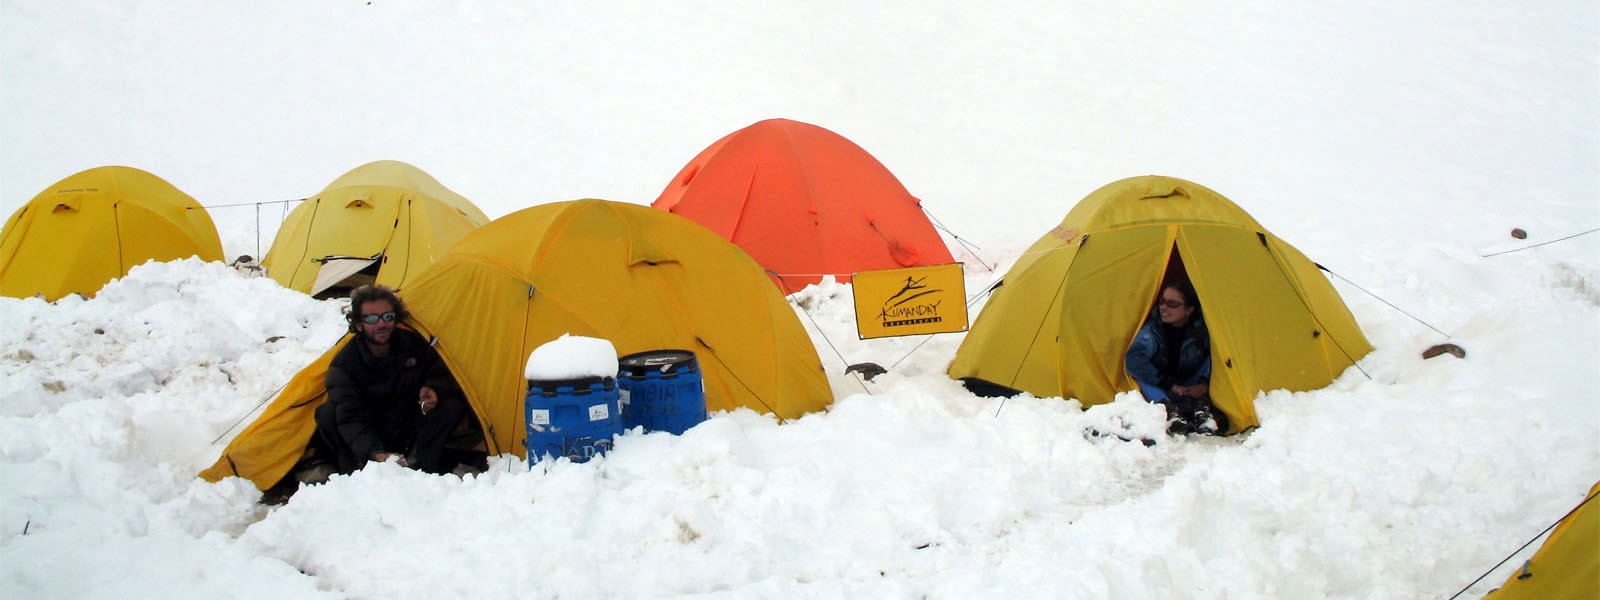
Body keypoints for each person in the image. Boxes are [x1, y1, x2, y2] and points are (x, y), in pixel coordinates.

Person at [311, 285, 468, 475]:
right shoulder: (344, 365)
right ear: (359, 324)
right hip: (368, 433)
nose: (381, 324)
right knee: (328, 413)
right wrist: (376, 454)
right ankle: (358, 473)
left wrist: (433, 388)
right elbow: (351, 417)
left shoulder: (412, 344)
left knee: (451, 405)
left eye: (387, 316)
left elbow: (440, 373)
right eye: (371, 318)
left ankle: (423, 468)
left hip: (405, 426)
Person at [1125, 281, 1229, 434]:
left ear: (1189, 310)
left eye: (1172, 304)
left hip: (1189, 381)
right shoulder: (1153, 330)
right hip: (1161, 383)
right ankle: (1168, 409)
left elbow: (1219, 359)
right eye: (1162, 301)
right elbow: (1133, 359)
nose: (1164, 307)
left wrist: (1204, 384)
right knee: (1138, 376)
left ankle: (1202, 410)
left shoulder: (1202, 332)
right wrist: (1170, 385)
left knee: (1219, 357)